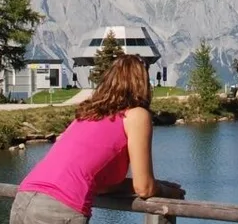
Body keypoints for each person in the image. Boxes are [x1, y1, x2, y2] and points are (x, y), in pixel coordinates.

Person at [11, 53, 186, 223]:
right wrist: (168, 192)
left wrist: (154, 183)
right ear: (143, 85)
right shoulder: (136, 115)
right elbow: (144, 188)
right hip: (60, 208)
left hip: (25, 197)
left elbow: (101, 185)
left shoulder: (88, 115)